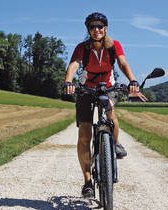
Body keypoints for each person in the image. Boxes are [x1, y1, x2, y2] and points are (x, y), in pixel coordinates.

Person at [63, 12, 147, 198]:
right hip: (87, 89)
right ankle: (87, 182)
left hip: (107, 87)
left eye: (100, 26)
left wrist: (132, 80)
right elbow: (74, 65)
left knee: (110, 112)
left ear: (105, 28)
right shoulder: (82, 48)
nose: (96, 30)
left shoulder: (113, 46)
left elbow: (123, 63)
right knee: (84, 134)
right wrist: (68, 82)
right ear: (88, 30)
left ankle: (114, 144)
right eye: (92, 27)